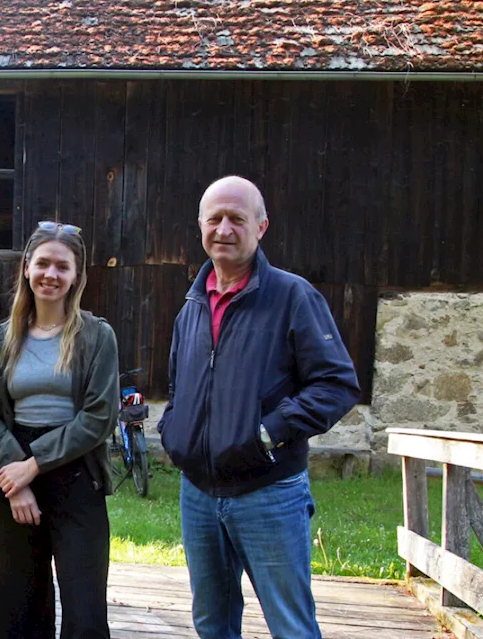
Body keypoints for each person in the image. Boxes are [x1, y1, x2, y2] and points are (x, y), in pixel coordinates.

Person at [159, 176, 361, 639]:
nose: (224, 229)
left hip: (269, 493)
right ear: (200, 226)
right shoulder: (191, 306)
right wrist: (176, 431)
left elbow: (336, 383)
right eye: (215, 219)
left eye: (237, 218)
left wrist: (269, 433)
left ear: (261, 227)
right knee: (212, 622)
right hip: (199, 495)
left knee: (289, 626)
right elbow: (178, 384)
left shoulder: (293, 296)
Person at [0, 220, 120, 639]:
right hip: (14, 472)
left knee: (85, 611)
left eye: (63, 266)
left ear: (77, 276)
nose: (51, 275)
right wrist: (17, 478)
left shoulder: (98, 337)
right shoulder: (6, 337)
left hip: (78, 473)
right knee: (17, 607)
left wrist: (34, 465)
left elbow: (98, 417)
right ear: (26, 267)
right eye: (43, 264)